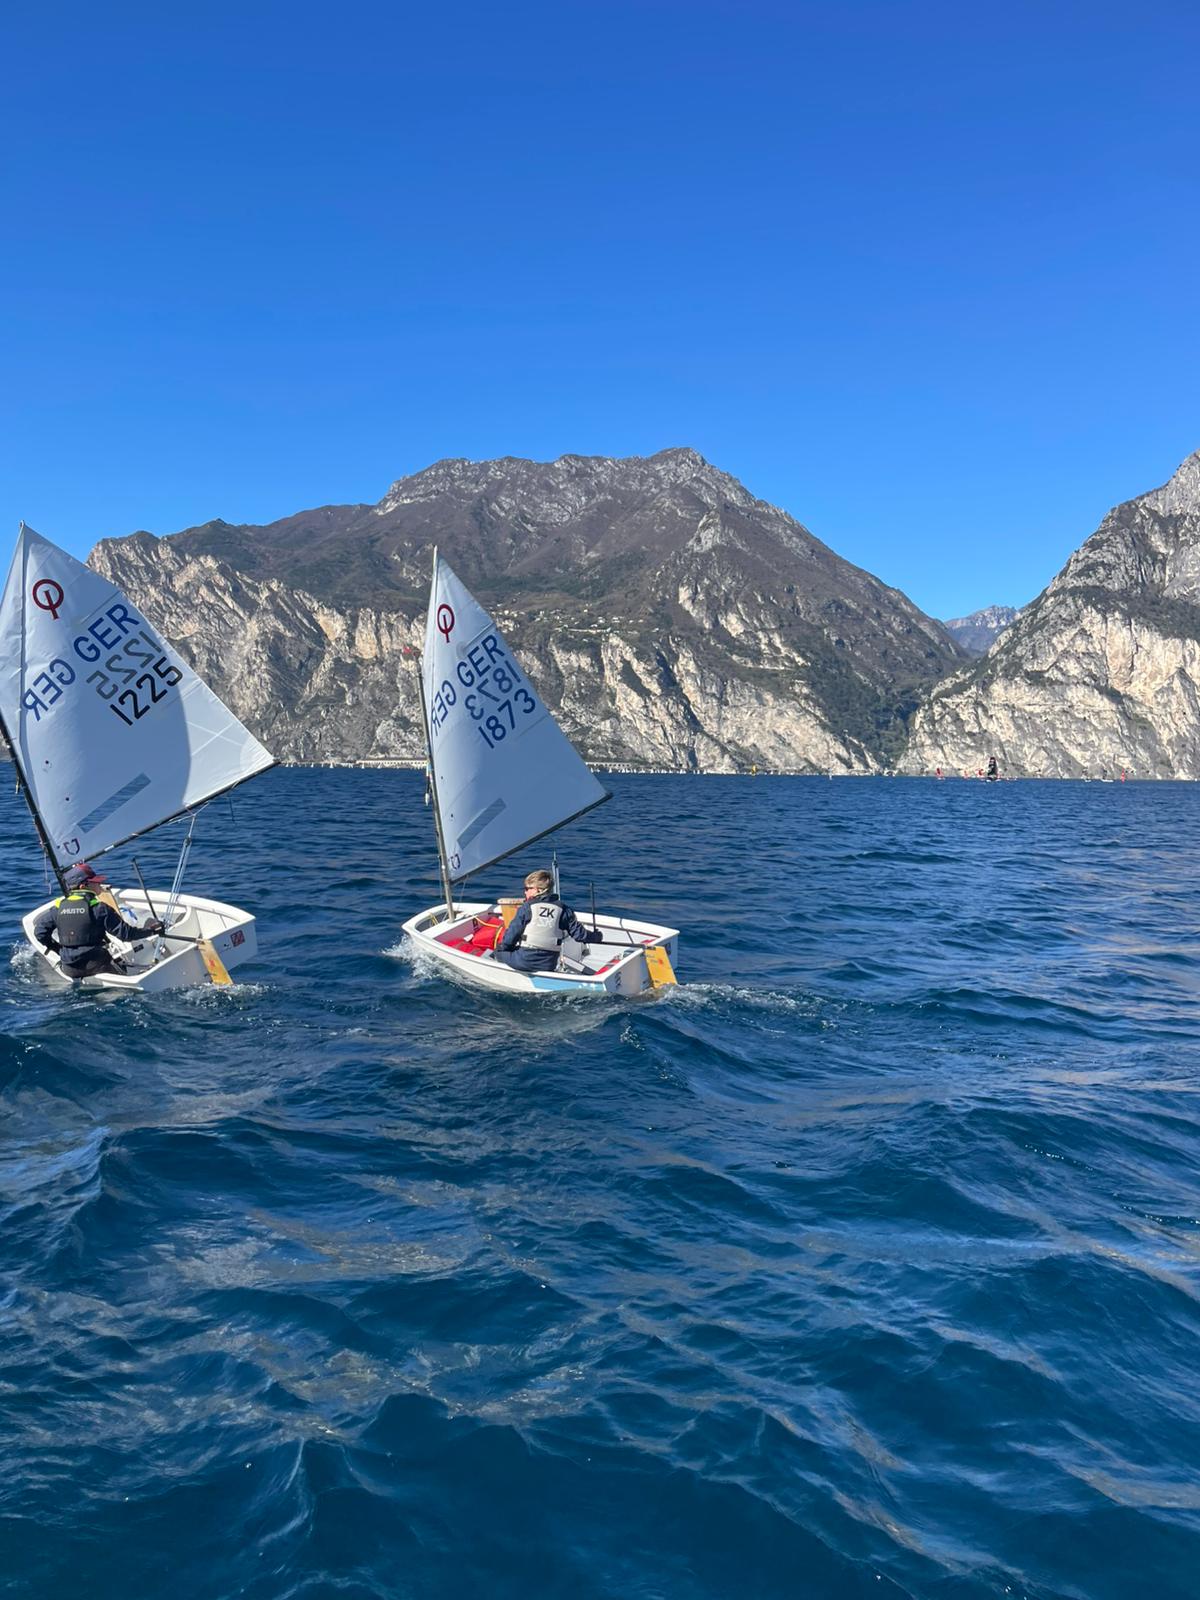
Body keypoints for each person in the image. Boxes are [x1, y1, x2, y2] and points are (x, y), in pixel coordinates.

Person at [33, 862, 165, 981]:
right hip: (97, 966)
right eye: (95, 882)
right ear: (83, 885)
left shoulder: (57, 908)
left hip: (70, 969)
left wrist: (58, 949)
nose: (99, 884)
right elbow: (126, 935)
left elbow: (40, 932)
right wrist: (152, 930)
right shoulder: (100, 908)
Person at [492, 869, 602, 973]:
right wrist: (597, 936)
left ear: (538, 890)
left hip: (524, 961)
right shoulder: (564, 910)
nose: (525, 892)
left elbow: (512, 934)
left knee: (498, 952)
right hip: (548, 964)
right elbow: (581, 936)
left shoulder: (527, 908)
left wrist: (504, 948)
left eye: (527, 889)